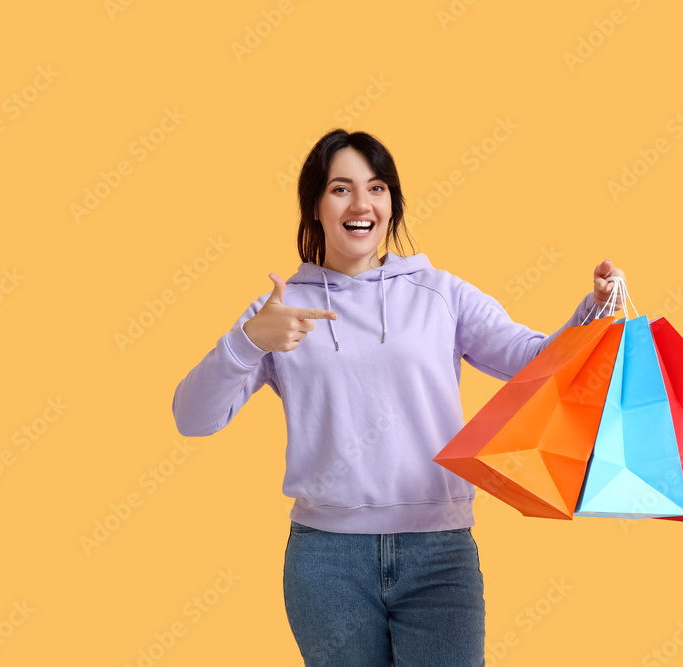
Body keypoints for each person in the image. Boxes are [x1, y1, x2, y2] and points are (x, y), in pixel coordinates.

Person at [171, 128, 626, 666]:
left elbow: (536, 363)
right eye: (341, 189)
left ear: (392, 204)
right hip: (326, 561)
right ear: (315, 206)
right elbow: (192, 418)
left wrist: (596, 311)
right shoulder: (280, 310)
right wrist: (247, 342)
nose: (361, 204)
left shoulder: (441, 293)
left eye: (377, 187)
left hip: (439, 554)